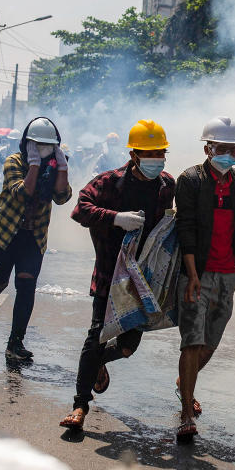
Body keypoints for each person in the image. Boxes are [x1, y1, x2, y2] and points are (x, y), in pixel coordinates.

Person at [59, 119, 176, 430]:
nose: (156, 159)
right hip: (110, 274)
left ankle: (98, 363)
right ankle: (80, 405)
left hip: (144, 281)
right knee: (97, 334)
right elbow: (79, 209)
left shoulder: (167, 186)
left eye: (160, 153)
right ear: (134, 155)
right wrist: (115, 219)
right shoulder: (109, 183)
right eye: (149, 153)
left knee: (126, 347)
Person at [173, 116, 235, 442]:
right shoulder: (190, 181)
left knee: (210, 343)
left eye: (234, 150)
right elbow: (185, 229)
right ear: (208, 148)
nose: (229, 155)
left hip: (228, 274)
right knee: (193, 340)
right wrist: (193, 274)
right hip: (196, 275)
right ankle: (185, 413)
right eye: (223, 149)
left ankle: (185, 384)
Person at [0, 117, 72, 361]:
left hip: (33, 236)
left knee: (26, 286)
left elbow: (62, 196)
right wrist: (34, 164)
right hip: (5, 234)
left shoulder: (55, 165)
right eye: (37, 145)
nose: (43, 149)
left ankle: (15, 343)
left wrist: (62, 166)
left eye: (48, 145)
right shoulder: (14, 162)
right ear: (26, 145)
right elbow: (24, 192)